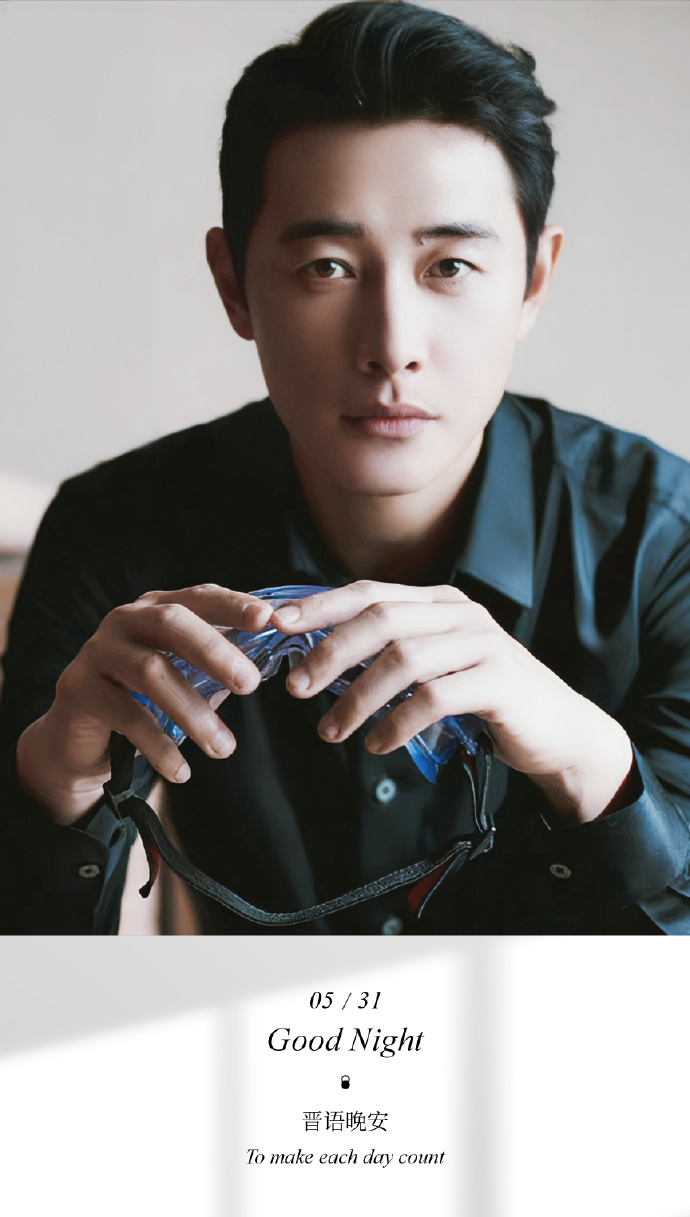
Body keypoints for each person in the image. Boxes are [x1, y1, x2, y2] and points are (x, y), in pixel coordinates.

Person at [2, 0, 689, 936]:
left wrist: (589, 763)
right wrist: (54, 792)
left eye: (450, 267)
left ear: (534, 280)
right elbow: (32, 995)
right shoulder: (113, 532)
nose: (391, 345)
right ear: (234, 285)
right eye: (327, 266)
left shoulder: (665, 545)